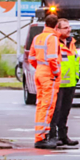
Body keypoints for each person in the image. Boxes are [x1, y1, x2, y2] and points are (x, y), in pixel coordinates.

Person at [28, 14, 61, 149]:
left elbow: (31, 58)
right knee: (48, 106)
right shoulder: (52, 38)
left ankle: (39, 135)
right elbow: (53, 58)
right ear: (56, 26)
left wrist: (40, 68)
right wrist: (56, 72)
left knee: (41, 105)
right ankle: (42, 137)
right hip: (48, 74)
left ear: (45, 24)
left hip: (39, 72)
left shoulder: (37, 37)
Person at [49, 18, 80, 147]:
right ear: (57, 29)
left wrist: (76, 77)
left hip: (70, 83)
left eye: (69, 27)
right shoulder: (54, 43)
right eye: (65, 27)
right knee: (55, 111)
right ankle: (53, 136)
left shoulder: (71, 43)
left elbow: (75, 61)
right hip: (58, 83)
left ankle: (63, 135)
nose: (69, 30)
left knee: (65, 112)